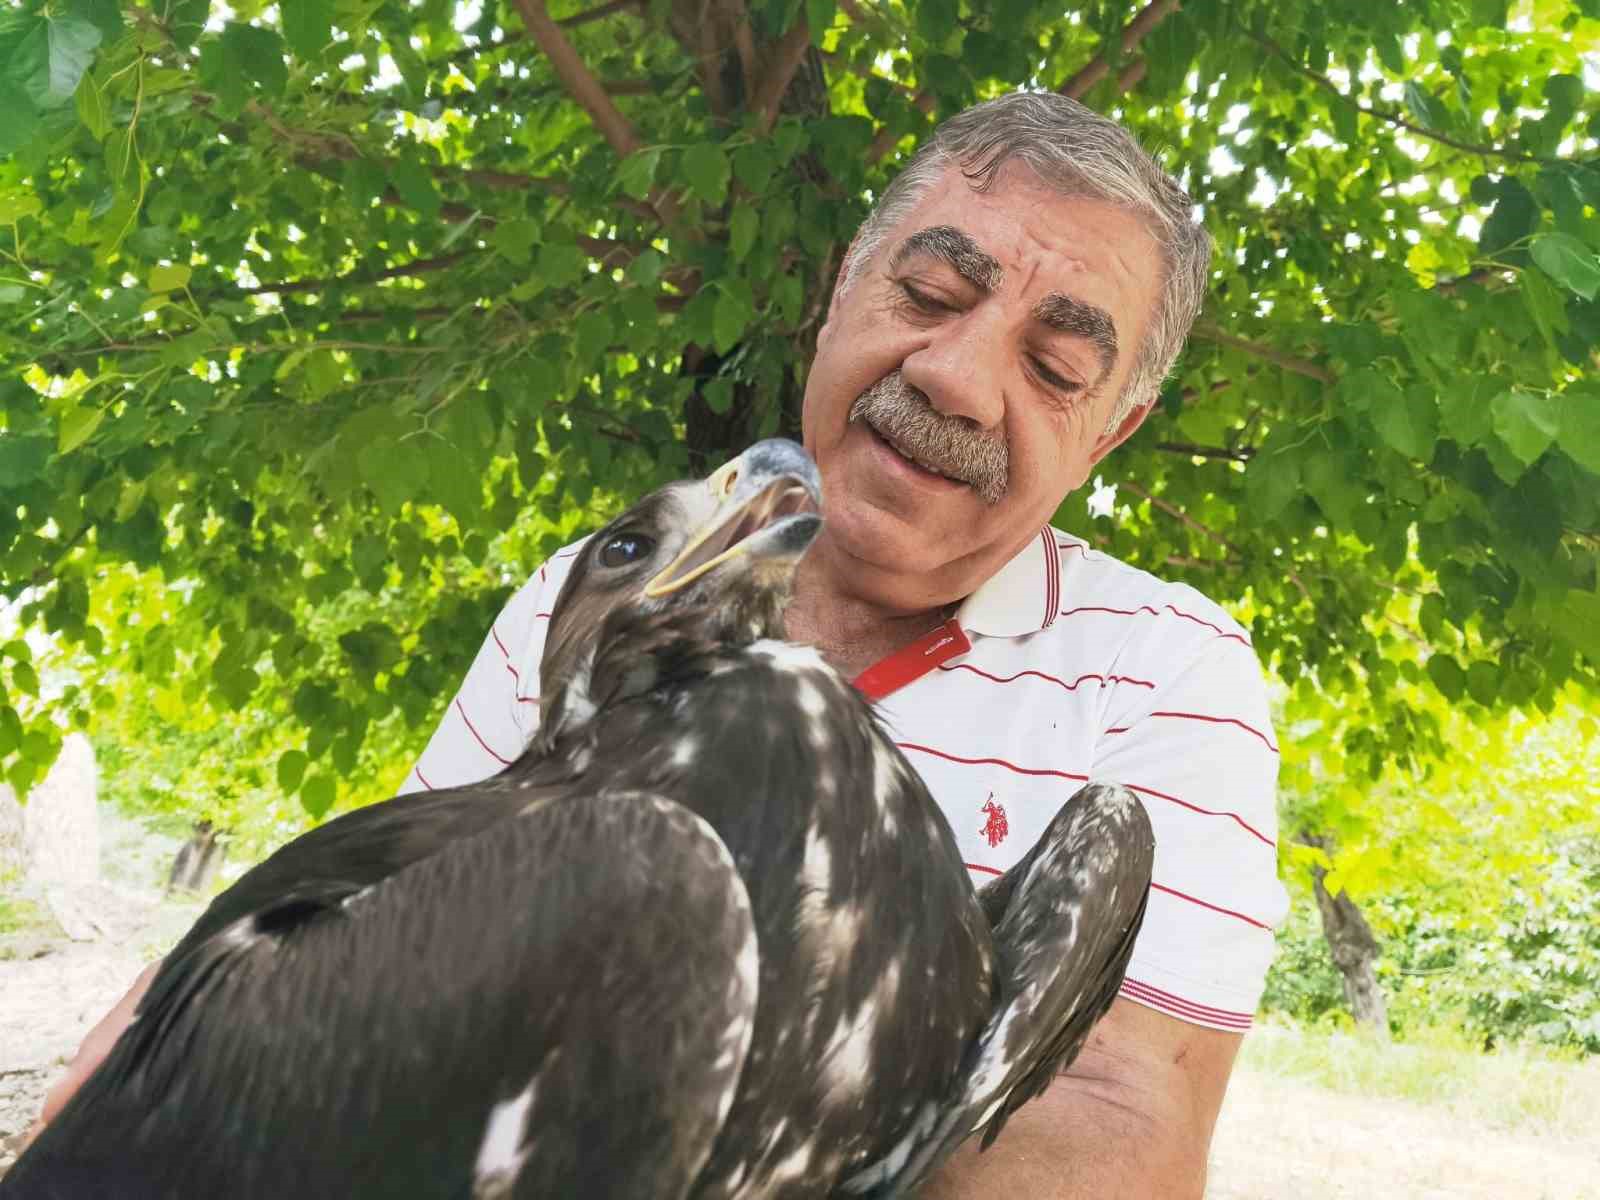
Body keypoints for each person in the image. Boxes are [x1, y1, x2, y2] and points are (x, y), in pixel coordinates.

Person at [32, 92, 1287, 1197]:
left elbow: (1122, 1135)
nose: (956, 377)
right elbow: (394, 912)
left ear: (1109, 431)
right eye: (927, 295)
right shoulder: (596, 595)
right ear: (840, 289)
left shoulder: (1168, 672)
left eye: (1053, 365)